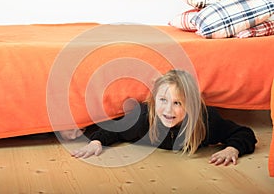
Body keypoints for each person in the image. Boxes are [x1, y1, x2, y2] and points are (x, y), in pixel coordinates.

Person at [70, 69, 257, 166]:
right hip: (131, 118)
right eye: (163, 100)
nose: (168, 110)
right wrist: (96, 142)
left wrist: (232, 149)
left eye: (178, 103)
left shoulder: (206, 122)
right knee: (96, 123)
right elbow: (115, 130)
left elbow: (244, 133)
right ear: (154, 100)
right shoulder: (143, 118)